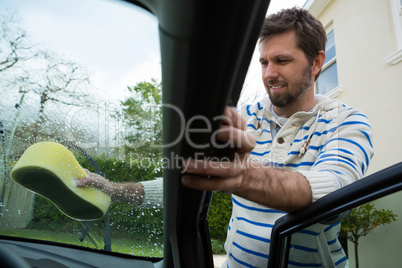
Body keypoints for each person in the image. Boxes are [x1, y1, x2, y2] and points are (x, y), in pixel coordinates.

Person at [76, 7, 373, 267]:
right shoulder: (244, 117)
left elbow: (334, 192)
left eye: (282, 60)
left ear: (317, 62)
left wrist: (245, 177)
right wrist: (112, 188)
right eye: (263, 62)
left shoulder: (347, 122)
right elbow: (190, 178)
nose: (269, 74)